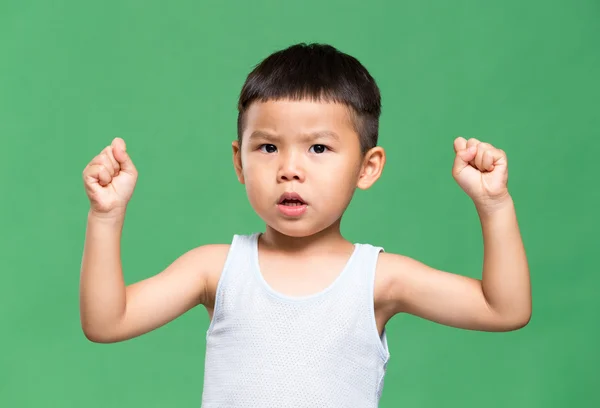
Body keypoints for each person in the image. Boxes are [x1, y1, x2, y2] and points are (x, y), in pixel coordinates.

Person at [79, 43, 531, 407]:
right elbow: (107, 321)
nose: (290, 169)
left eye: (318, 148)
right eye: (268, 148)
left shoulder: (377, 279)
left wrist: (494, 205)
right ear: (239, 161)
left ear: (367, 167)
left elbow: (504, 309)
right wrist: (106, 216)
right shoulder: (216, 270)